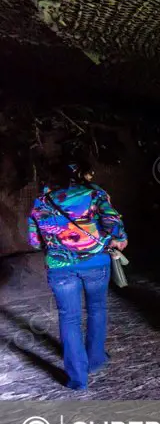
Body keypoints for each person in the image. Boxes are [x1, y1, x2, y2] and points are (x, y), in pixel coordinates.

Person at [27, 162, 127, 390]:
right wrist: (118, 237)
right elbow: (113, 223)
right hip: (95, 263)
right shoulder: (94, 194)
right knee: (97, 309)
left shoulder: (40, 203)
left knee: (68, 318)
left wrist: (56, 242)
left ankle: (77, 379)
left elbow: (34, 242)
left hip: (60, 267)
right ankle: (95, 359)